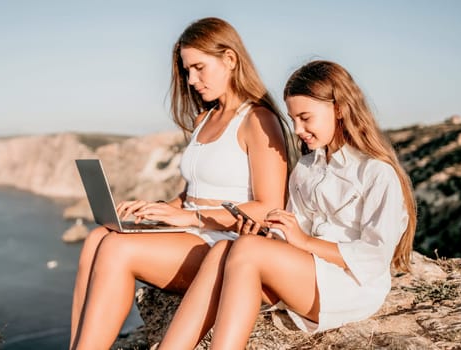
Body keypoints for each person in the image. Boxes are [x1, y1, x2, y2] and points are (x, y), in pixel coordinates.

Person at [158, 60, 417, 349]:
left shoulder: (376, 172)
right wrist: (266, 235)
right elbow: (289, 236)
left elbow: (373, 256)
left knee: (244, 251)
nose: (298, 129)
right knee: (223, 250)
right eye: (293, 119)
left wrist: (303, 241)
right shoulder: (306, 168)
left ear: (340, 109)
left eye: (306, 117)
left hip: (350, 286)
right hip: (306, 273)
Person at [69, 17, 293, 350]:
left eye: (199, 68)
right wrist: (160, 208)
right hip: (193, 233)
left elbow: (269, 208)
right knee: (97, 237)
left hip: (227, 243)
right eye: (187, 71)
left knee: (116, 248)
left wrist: (191, 217)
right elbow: (193, 193)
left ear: (230, 59)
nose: (192, 80)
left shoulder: (259, 120)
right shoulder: (204, 119)